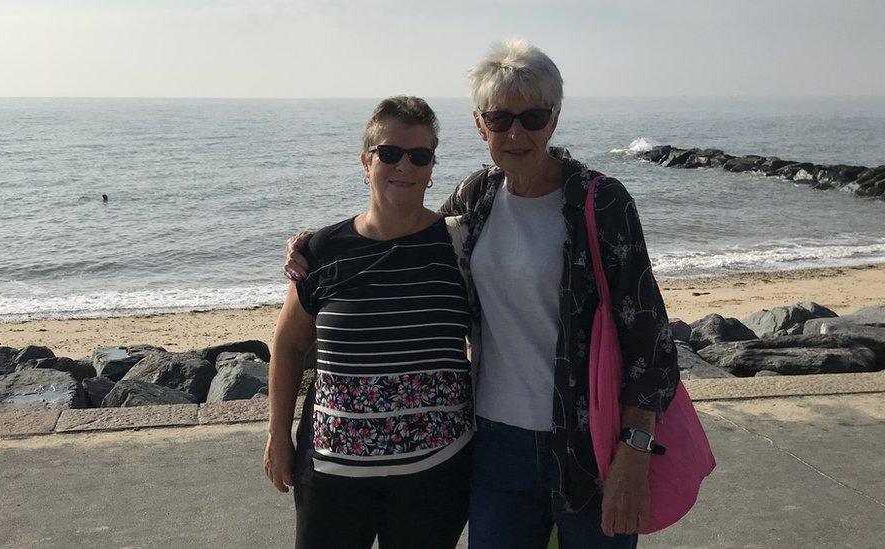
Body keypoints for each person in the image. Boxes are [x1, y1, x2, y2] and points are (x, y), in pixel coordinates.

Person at [285, 41, 680, 548]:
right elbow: (402, 228)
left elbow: (649, 336)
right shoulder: (479, 196)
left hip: (591, 439)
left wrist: (636, 449)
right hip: (494, 444)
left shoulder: (601, 202)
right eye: (500, 119)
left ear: (554, 120)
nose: (516, 133)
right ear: (480, 125)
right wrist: (313, 246)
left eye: (532, 117)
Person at [265, 96, 473, 549]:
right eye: (389, 153)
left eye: (419, 156)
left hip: (435, 474)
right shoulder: (321, 251)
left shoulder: (461, 246)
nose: (404, 166)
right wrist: (277, 435)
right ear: (366, 161)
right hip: (331, 474)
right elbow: (288, 345)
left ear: (432, 167)